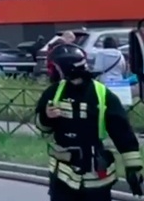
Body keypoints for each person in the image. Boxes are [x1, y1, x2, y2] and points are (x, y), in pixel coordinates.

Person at [37, 43, 144, 201]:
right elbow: (42, 128)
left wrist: (133, 168)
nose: (52, 72)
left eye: (55, 68)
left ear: (65, 69)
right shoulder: (53, 93)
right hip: (62, 178)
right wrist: (46, 117)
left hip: (96, 178)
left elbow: (123, 134)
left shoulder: (102, 95)